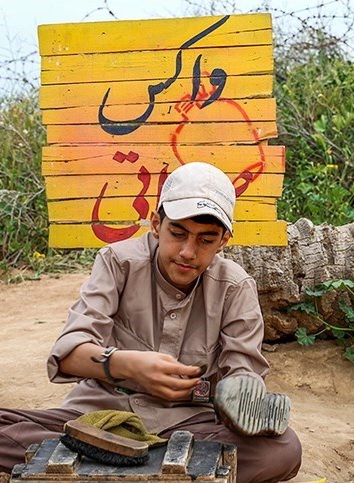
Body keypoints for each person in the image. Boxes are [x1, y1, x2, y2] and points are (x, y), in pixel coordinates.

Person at [0, 162, 301, 483]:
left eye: (206, 240)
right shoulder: (118, 262)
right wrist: (127, 365)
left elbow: (243, 371)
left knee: (284, 449)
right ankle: (170, 471)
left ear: (224, 240)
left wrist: (241, 400)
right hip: (96, 422)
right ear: (157, 224)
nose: (188, 251)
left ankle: (107, 468)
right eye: (178, 233)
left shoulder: (235, 286)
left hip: (189, 426)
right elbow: (70, 354)